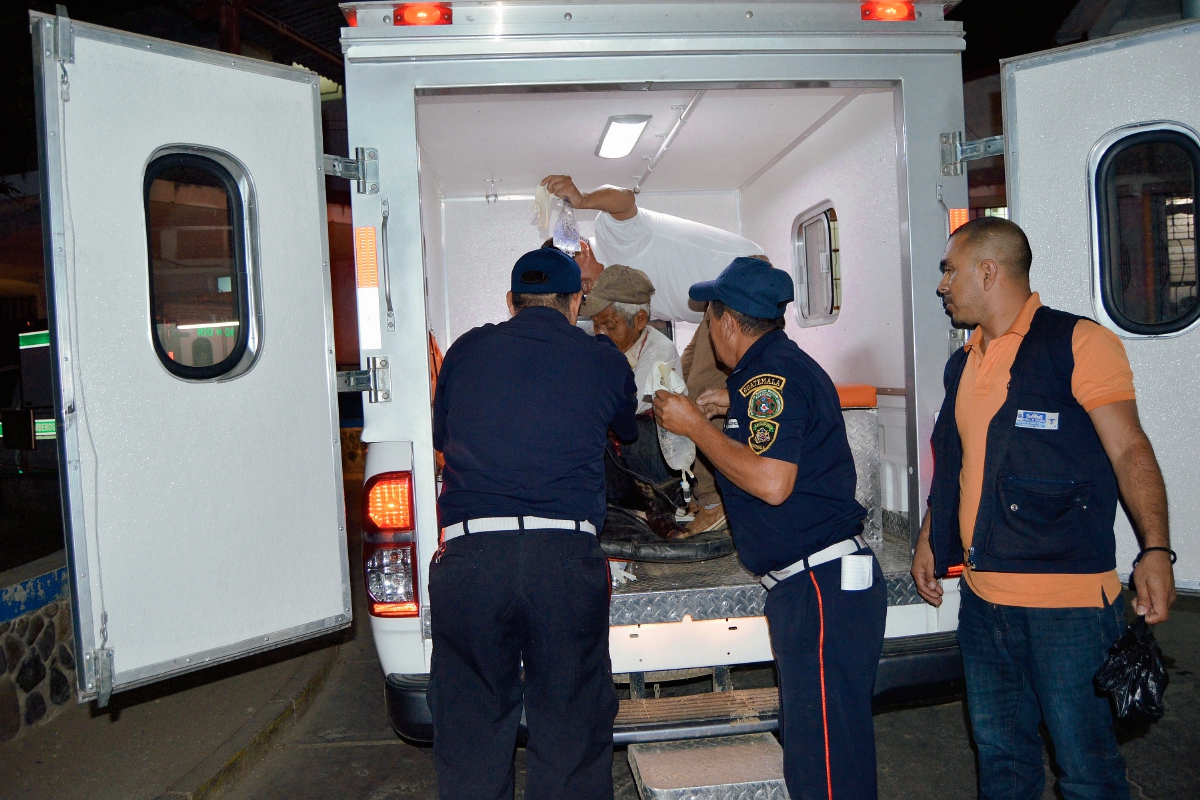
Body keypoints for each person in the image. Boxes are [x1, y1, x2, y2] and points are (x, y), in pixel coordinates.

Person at [910, 217, 1177, 800]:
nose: (942, 285)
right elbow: (954, 462)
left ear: (988, 271)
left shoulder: (1079, 343)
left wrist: (1156, 549)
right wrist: (932, 531)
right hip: (983, 607)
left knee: (1087, 771)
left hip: (1070, 612)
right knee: (1002, 762)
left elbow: (1131, 447)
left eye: (949, 270)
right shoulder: (964, 362)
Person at [653, 257, 888, 800]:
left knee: (825, 768)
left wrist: (693, 425)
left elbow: (773, 482)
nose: (710, 331)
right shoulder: (773, 372)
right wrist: (730, 404)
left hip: (821, 590)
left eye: (710, 319)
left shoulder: (768, 378)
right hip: (817, 586)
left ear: (728, 323)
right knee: (827, 756)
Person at [428, 247, 637, 799]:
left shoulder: (466, 350)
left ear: (511, 302)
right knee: (571, 727)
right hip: (564, 562)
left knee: (472, 729)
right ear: (576, 301)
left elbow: (440, 437)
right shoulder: (603, 358)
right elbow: (628, 432)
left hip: (472, 561)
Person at [542, 174, 764, 534]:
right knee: (685, 396)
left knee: (699, 396)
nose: (583, 291)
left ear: (582, 249)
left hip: (742, 276)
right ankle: (706, 496)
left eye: (580, 280)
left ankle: (714, 502)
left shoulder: (614, 239)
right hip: (714, 304)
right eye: (577, 291)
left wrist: (582, 200)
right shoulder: (612, 288)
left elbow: (625, 199)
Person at [582, 264, 682, 414]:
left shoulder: (660, 354)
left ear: (639, 320)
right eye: (596, 325)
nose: (600, 335)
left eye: (609, 326)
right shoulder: (602, 346)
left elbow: (622, 410)